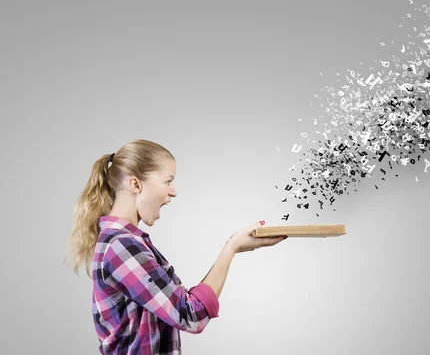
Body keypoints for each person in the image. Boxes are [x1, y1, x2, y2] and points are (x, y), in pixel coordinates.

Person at [63, 139, 287, 354]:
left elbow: (181, 305)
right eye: (167, 181)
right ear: (135, 184)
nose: (173, 191)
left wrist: (234, 246)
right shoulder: (122, 247)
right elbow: (191, 315)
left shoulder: (126, 243)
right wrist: (232, 248)